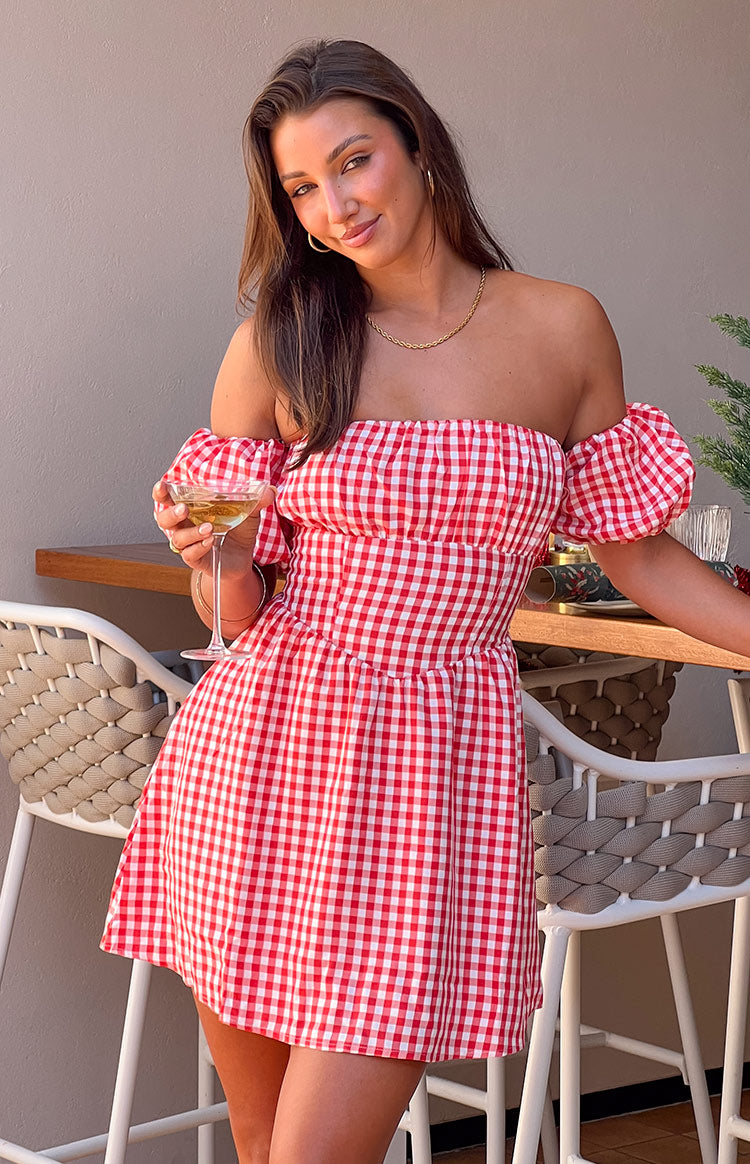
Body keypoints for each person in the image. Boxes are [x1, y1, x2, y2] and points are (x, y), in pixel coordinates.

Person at [101, 38, 750, 1164]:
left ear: (418, 145)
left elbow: (641, 561)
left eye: (354, 162)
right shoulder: (281, 342)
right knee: (265, 1145)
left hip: (433, 774)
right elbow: (241, 611)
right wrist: (214, 555)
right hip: (260, 756)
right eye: (303, 187)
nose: (336, 204)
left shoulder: (561, 328)